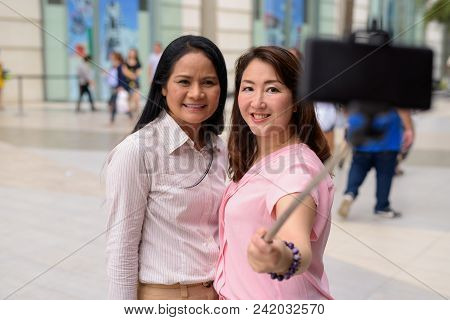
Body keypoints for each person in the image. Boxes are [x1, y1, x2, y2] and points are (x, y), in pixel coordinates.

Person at [105, 35, 228, 300]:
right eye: (184, 81)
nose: (196, 93)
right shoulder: (136, 152)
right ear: (163, 86)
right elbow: (121, 250)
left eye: (208, 82)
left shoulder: (220, 149)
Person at [214, 46, 334, 300]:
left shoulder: (295, 169)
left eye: (272, 89)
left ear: (296, 101)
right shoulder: (260, 156)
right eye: (248, 88)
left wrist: (280, 256)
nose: (257, 102)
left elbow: (296, 243)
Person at [337, 109, 414, 219]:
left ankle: (350, 193)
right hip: (388, 140)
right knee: (385, 174)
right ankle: (382, 206)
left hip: (362, 136)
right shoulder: (394, 91)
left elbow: (347, 107)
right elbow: (402, 109)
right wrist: (408, 129)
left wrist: (350, 123)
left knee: (358, 167)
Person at [123, 48, 142, 114]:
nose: (132, 54)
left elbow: (138, 73)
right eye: (131, 52)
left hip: (135, 83)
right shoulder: (125, 62)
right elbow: (124, 72)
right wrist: (132, 75)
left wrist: (132, 75)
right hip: (127, 82)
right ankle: (130, 112)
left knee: (137, 97)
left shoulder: (138, 63)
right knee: (129, 98)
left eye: (133, 53)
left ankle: (137, 111)